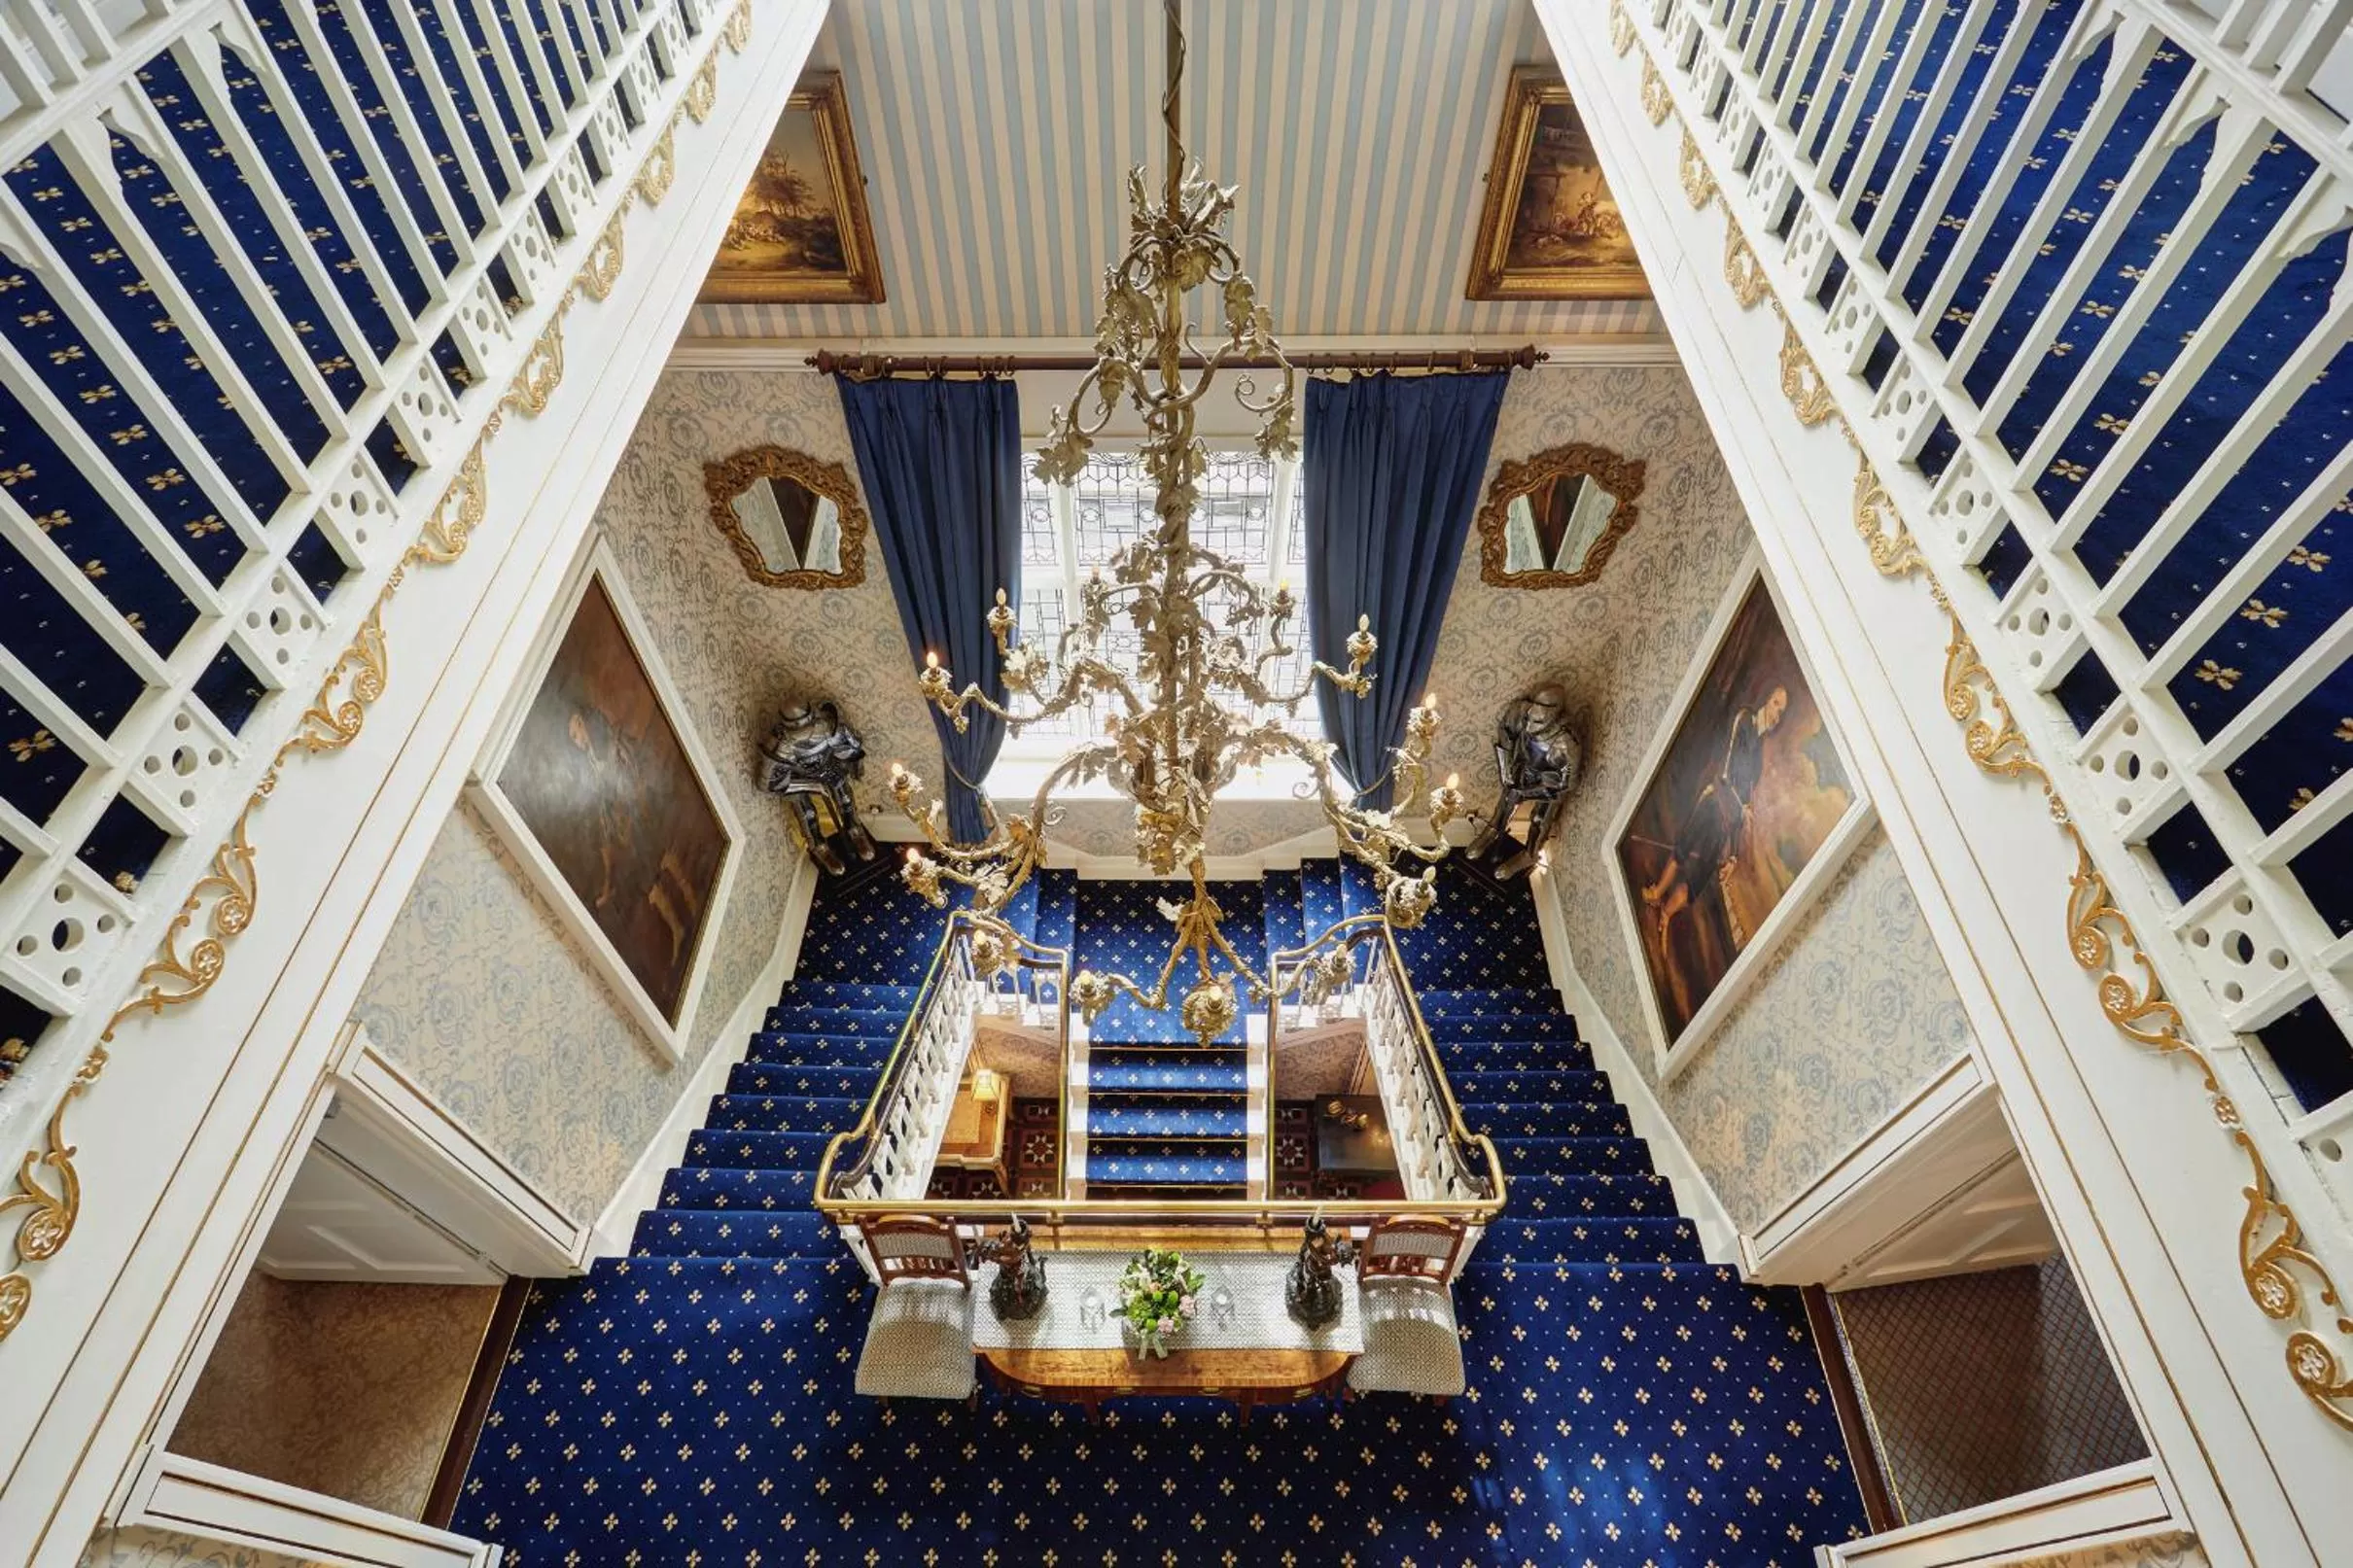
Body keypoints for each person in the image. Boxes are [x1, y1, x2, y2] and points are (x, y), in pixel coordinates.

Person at [1637, 684, 1788, 968]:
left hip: (1726, 822)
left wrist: (1734, 852)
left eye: (1782, 710)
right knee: (1683, 849)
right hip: (1714, 801)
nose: (1777, 713)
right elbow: (1729, 772)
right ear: (1766, 700)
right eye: (1776, 703)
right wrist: (1741, 806)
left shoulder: (1758, 757)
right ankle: (1657, 893)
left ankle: (1666, 914)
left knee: (1698, 878)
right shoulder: (1744, 719)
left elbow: (1745, 802)